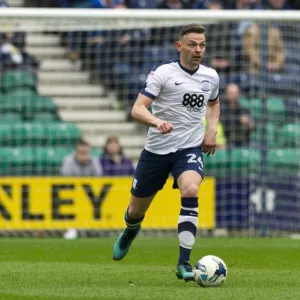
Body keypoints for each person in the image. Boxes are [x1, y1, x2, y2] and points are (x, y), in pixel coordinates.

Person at [112, 24, 220, 282]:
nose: (198, 49)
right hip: (157, 151)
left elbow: (214, 105)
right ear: (179, 45)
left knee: (191, 189)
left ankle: (184, 263)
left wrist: (212, 130)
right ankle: (130, 229)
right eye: (193, 44)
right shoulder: (163, 73)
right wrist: (155, 122)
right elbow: (137, 109)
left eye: (202, 45)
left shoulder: (211, 76)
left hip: (189, 148)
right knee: (136, 209)